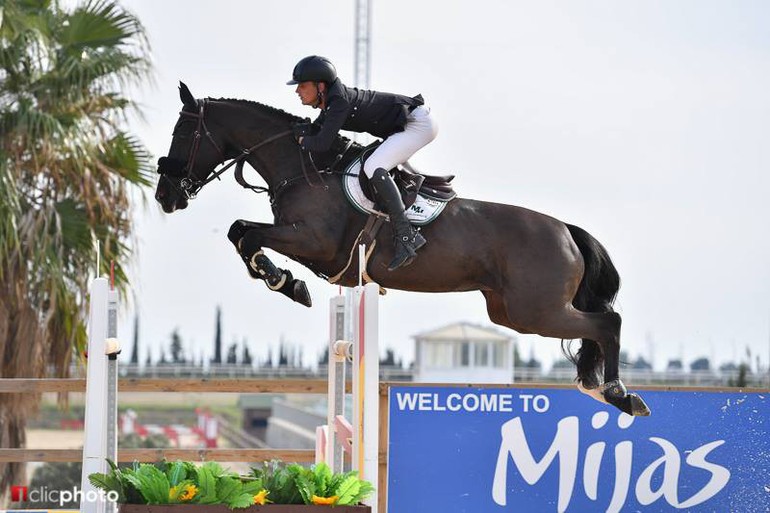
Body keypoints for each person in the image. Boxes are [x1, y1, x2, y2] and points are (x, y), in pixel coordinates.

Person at [287, 55, 438, 271]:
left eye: (302, 85)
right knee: (373, 163)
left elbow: (321, 143)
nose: (297, 91)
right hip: (409, 125)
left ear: (320, 86)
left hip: (417, 125)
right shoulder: (331, 102)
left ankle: (406, 236)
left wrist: (302, 139)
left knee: (373, 167)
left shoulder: (339, 102)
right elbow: (318, 131)